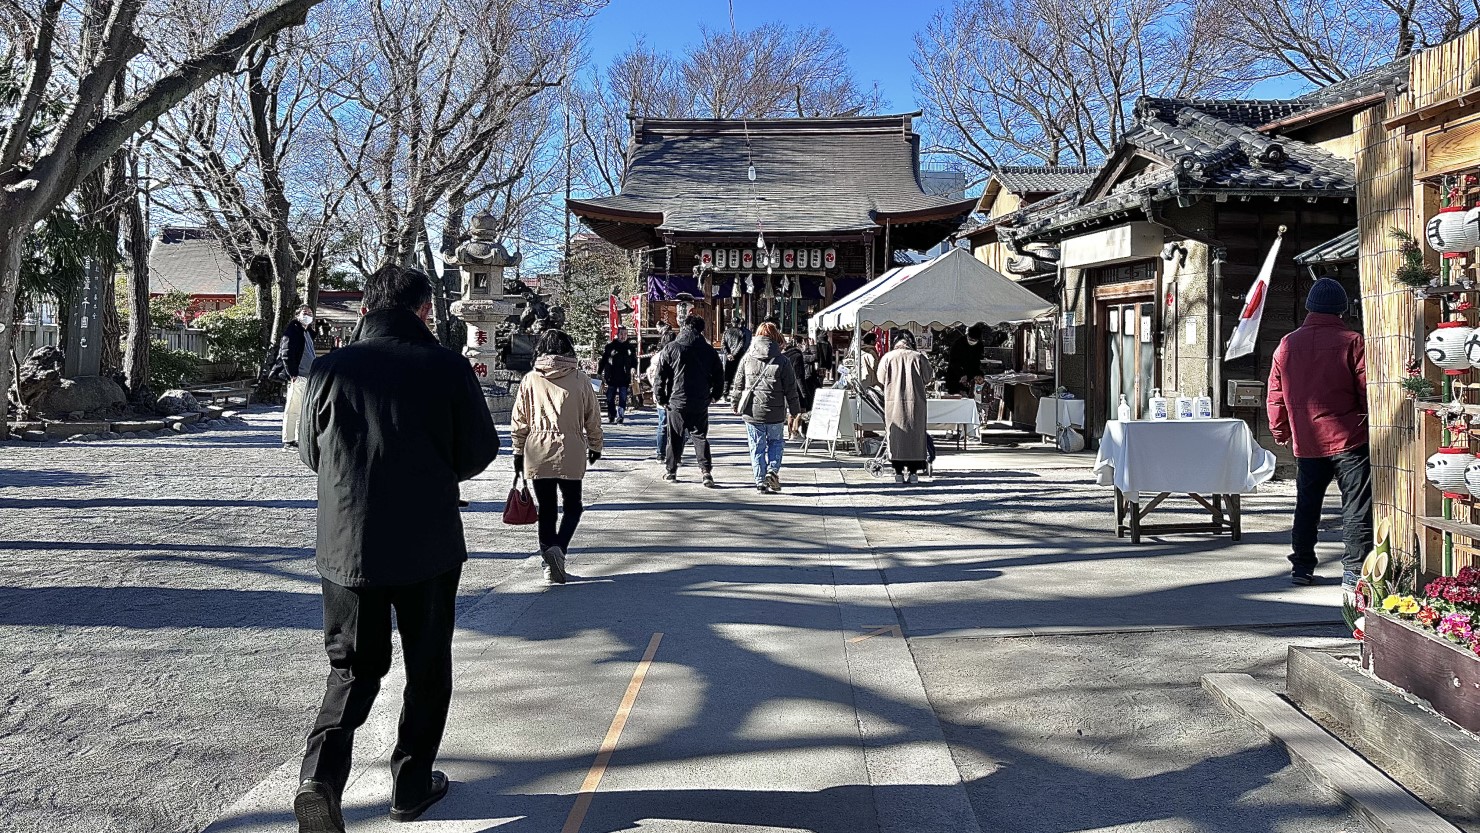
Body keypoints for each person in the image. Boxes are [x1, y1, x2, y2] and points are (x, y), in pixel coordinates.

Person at [293, 265, 499, 833]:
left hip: (347, 542)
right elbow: (479, 451)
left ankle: (320, 779)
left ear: (366, 306)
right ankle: (410, 784)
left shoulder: (330, 369)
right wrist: (433, 469)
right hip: (426, 540)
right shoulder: (447, 368)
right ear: (423, 309)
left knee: (352, 669)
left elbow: (313, 452)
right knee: (427, 665)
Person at [1267, 277, 1371, 589]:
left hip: (1307, 440)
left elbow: (1276, 393)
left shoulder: (1287, 343)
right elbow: (1367, 389)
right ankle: (1354, 572)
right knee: (1355, 506)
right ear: (1342, 309)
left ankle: (1301, 566)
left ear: (1309, 307)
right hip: (1350, 438)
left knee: (1307, 505)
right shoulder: (1353, 341)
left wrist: (1280, 429)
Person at [511, 328, 604, 585]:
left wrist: (518, 451)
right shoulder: (580, 379)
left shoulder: (530, 379)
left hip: (537, 449)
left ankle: (548, 562)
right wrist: (595, 445)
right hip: (571, 447)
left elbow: (519, 420)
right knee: (573, 506)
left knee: (547, 509)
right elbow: (592, 417)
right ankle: (559, 549)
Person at [731, 322, 802, 493]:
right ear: (776, 337)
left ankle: (760, 481)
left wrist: (735, 403)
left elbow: (738, 384)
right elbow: (791, 389)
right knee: (776, 442)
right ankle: (772, 470)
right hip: (775, 411)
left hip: (752, 411)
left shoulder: (747, 358)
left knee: (756, 446)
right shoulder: (783, 361)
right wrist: (795, 410)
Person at [656, 315, 724, 488]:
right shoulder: (709, 350)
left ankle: (671, 470)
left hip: (676, 399)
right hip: (700, 399)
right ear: (701, 329)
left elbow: (660, 376)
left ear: (684, 327)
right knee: (700, 436)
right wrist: (716, 394)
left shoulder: (671, 348)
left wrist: (660, 397)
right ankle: (706, 471)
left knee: (675, 437)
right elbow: (719, 374)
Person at [877, 330, 934, 485]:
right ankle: (914, 473)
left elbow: (880, 378)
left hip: (893, 403)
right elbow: (928, 378)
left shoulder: (887, 357)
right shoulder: (919, 357)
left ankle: (898, 473)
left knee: (897, 438)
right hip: (916, 403)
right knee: (915, 437)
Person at [277, 304, 316, 449]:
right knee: (293, 407)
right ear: (297, 315)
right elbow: (286, 352)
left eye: (310, 313)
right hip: (298, 375)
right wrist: (292, 373)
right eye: (305, 312)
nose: (308, 315)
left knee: (303, 408)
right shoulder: (293, 330)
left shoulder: (308, 333)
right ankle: (289, 439)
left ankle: (300, 438)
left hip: (309, 375)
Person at [647, 329, 678, 461]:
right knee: (676, 426)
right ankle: (674, 454)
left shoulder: (656, 357)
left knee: (663, 423)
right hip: (674, 393)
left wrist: (655, 388)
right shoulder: (676, 354)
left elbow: (650, 374)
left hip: (660, 393)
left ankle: (661, 453)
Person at [596, 326, 637, 424]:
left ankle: (620, 416)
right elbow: (604, 360)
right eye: (621, 334)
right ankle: (611, 415)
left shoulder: (630, 348)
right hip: (612, 375)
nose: (623, 336)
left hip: (624, 376)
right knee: (610, 397)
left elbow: (634, 361)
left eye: (625, 334)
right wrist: (599, 372)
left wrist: (633, 368)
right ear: (617, 334)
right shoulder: (610, 346)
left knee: (623, 397)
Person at [945, 323, 987, 395]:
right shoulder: (958, 343)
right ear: (967, 336)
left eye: (974, 340)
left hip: (970, 375)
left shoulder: (979, 345)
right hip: (955, 374)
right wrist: (962, 374)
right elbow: (953, 362)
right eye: (970, 339)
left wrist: (970, 375)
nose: (972, 341)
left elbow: (976, 362)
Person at [722, 314, 752, 396]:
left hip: (729, 357)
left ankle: (725, 393)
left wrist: (728, 354)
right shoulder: (741, 332)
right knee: (740, 375)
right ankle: (738, 394)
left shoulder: (726, 332)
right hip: (739, 356)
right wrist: (734, 354)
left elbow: (723, 345)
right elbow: (741, 345)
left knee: (728, 375)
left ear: (731, 322)